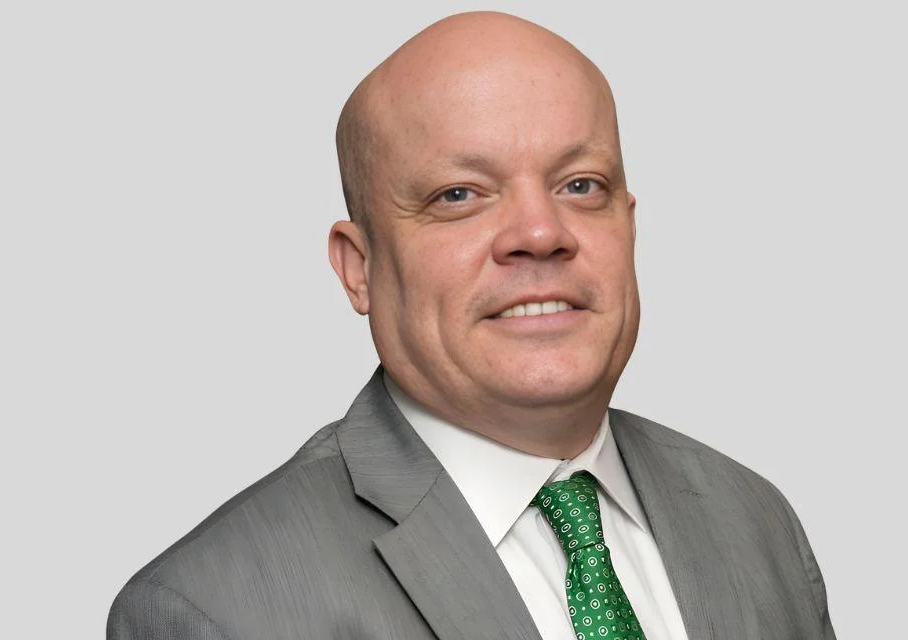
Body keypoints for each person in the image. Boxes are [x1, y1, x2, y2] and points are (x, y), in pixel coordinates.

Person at [108, 11, 835, 640]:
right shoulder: (213, 608)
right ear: (358, 268)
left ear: (630, 224)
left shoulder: (754, 519)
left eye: (581, 185)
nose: (541, 232)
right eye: (459, 194)